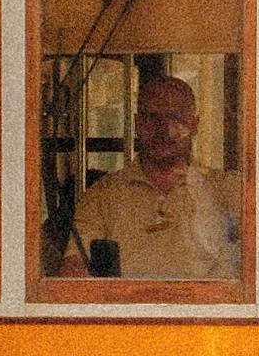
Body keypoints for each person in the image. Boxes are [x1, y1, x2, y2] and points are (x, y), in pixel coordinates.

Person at [63, 71, 240, 282]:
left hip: (210, 313)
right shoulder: (103, 195)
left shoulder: (229, 190)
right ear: (137, 123)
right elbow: (74, 274)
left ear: (194, 124)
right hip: (129, 311)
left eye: (175, 117)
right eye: (151, 117)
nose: (163, 129)